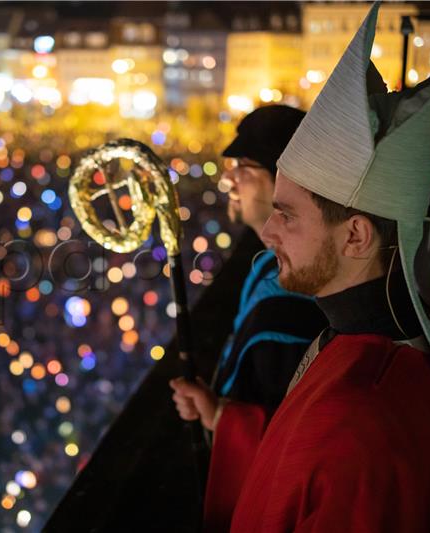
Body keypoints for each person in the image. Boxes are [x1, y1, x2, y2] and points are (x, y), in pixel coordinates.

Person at [173, 3, 430, 531]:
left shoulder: (360, 417)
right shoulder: (380, 347)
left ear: (356, 235)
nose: (267, 233)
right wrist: (224, 418)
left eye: (286, 215)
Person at [171, 105, 326, 531]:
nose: (228, 179)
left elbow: (287, 444)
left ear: (285, 179)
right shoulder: (267, 265)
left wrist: (218, 417)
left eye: (243, 166)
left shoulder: (292, 302)